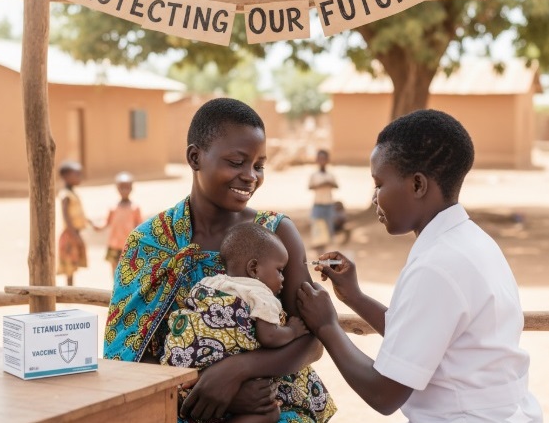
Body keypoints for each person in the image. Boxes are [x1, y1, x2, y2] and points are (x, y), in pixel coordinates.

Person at [296, 109, 543, 421]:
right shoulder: (471, 242)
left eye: (379, 183)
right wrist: (354, 297)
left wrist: (326, 325)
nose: (374, 198)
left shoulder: (437, 266)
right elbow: (419, 339)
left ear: (417, 185)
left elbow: (384, 393)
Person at [104, 98, 336, 423]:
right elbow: (126, 354)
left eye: (259, 165)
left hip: (269, 399)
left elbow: (311, 339)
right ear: (195, 157)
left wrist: (239, 369)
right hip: (176, 403)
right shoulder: (151, 242)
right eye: (237, 162)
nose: (250, 176)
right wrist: (197, 384)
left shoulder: (275, 234)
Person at [162, 222, 310, 423]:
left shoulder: (210, 283)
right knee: (270, 412)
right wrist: (292, 331)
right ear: (254, 268)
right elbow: (269, 336)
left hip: (186, 364)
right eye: (279, 270)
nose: (283, 279)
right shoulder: (260, 294)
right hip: (222, 371)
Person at [94, 171, 143, 277]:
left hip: (129, 245)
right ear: (117, 188)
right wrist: (98, 227)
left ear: (131, 188)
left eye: (127, 187)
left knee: (129, 269)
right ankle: (115, 290)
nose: (124, 190)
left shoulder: (135, 208)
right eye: (122, 187)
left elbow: (140, 226)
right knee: (114, 269)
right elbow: (107, 223)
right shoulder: (113, 207)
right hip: (114, 244)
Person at [57, 160, 90, 286]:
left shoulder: (73, 193)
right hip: (70, 234)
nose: (79, 177)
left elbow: (78, 213)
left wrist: (89, 222)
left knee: (73, 262)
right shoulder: (65, 195)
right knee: (69, 264)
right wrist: (74, 235)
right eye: (76, 174)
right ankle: (69, 289)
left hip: (75, 232)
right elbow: (66, 217)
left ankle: (71, 288)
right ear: (66, 177)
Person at [308, 150, 338, 251]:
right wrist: (321, 184)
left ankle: (328, 250)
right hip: (318, 204)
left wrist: (329, 183)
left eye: (323, 159)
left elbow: (336, 185)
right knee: (317, 227)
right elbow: (310, 186)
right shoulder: (314, 175)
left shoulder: (330, 175)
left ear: (327, 160)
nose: (322, 161)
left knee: (329, 227)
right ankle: (319, 250)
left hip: (328, 204)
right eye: (319, 159)